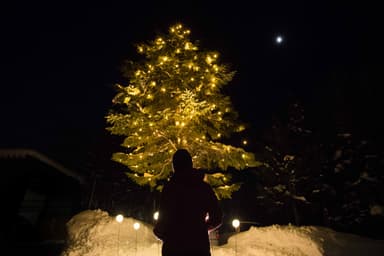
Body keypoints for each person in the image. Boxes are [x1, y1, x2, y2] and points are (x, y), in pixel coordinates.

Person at [154, 149, 223, 256]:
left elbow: (162, 220)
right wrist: (202, 228)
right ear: (190, 164)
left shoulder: (170, 189)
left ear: (174, 166)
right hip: (198, 247)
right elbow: (217, 217)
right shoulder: (203, 188)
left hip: (174, 247)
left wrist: (165, 234)